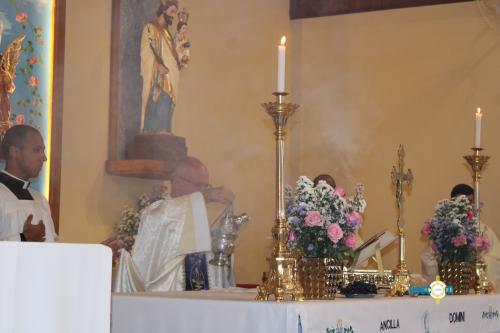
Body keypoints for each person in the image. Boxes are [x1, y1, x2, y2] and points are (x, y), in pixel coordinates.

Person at [113, 156, 234, 292]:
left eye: (206, 186)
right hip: (167, 298)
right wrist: (206, 196)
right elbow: (169, 215)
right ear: (177, 182)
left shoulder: (198, 216)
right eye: (199, 185)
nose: (203, 191)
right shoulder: (156, 212)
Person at [421, 184, 500, 288]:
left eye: (470, 202)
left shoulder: (484, 230)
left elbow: (496, 258)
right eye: (462, 202)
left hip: (477, 287)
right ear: (453, 203)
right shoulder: (444, 230)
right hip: (450, 285)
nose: (467, 206)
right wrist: (450, 265)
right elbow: (429, 260)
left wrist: (476, 265)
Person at [0, 125, 56, 242]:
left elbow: (54, 250)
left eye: (43, 150)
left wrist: (96, 252)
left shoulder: (41, 200)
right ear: (15, 152)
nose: (44, 158)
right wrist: (23, 239)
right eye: (37, 150)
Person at [140, 0, 185, 134]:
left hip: (169, 75)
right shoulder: (150, 28)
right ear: (163, 10)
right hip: (158, 75)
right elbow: (146, 49)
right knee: (159, 97)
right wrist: (156, 65)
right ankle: (153, 129)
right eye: (171, 12)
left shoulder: (167, 34)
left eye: (175, 13)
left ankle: (163, 129)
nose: (173, 16)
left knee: (166, 99)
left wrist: (180, 43)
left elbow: (173, 56)